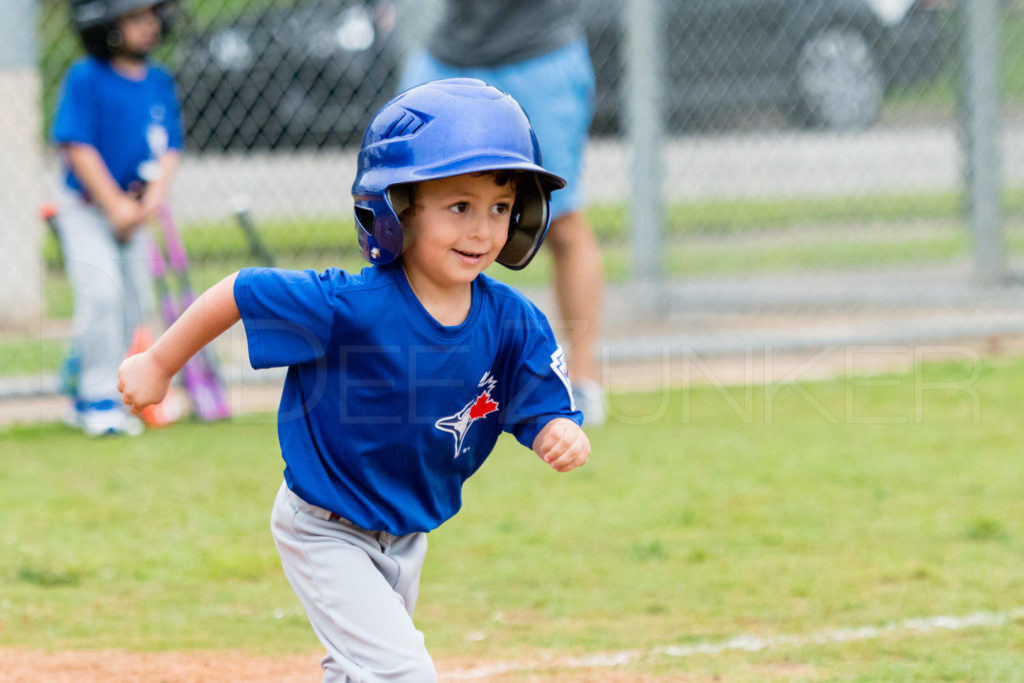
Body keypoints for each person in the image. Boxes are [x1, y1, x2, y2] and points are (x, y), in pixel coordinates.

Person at [118, 79, 591, 681]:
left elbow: (540, 402)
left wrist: (555, 429)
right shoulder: (348, 305)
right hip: (324, 527)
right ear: (397, 210)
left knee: (356, 672)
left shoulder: (511, 320)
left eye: (500, 209)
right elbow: (242, 290)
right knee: (402, 674)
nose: (482, 230)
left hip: (407, 532)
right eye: (459, 206)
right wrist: (158, 364)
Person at [399, 0, 607, 426]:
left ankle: (582, 384)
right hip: (447, 54)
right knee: (407, 217)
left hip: (539, 53)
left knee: (561, 221)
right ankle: (410, 376)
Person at [52, 0, 183, 436]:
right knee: (102, 296)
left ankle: (83, 379)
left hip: (134, 213)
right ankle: (95, 399)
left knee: (132, 307)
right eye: (132, 18)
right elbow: (77, 146)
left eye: (150, 17)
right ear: (105, 24)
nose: (146, 27)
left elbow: (169, 151)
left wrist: (146, 205)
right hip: (88, 211)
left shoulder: (158, 81)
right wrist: (116, 206)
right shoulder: (87, 76)